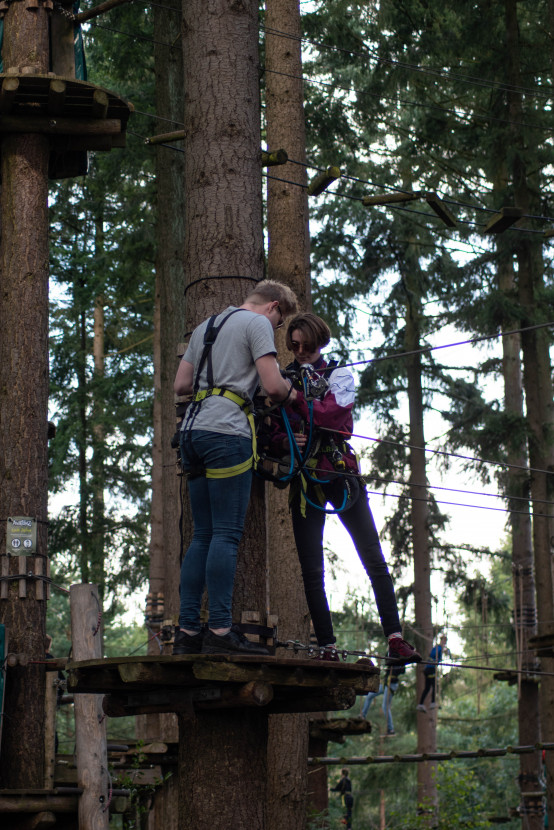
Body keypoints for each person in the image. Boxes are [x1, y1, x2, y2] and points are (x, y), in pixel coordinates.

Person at [270, 312, 421, 665]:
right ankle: (327, 645)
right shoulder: (280, 378)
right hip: (305, 479)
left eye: (306, 344)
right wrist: (284, 440)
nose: (301, 350)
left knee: (373, 557)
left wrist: (295, 401)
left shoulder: (338, 373)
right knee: (312, 568)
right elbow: (273, 429)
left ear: (319, 341)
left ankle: (395, 638)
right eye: (294, 345)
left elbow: (336, 414)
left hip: (341, 475)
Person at [173, 279, 298, 656]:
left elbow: (181, 384)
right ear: (274, 307)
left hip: (192, 433)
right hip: (227, 433)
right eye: (280, 323)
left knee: (202, 536)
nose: (275, 329)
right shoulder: (258, 324)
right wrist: (295, 395)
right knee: (226, 535)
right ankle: (221, 630)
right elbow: (273, 387)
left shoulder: (205, 326)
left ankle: (188, 632)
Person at [360, 664, 405, 734]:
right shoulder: (390, 656)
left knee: (385, 707)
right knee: (369, 695)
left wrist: (395, 666)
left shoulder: (398, 660)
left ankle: (391, 729)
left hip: (391, 684)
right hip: (385, 684)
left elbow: (402, 670)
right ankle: (363, 715)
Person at [417, 634, 448, 711]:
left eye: (445, 642)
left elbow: (436, 658)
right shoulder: (438, 648)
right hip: (430, 669)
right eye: (443, 641)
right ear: (441, 641)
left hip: (429, 669)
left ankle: (420, 704)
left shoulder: (437, 648)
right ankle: (433, 702)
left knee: (427, 688)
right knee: (434, 685)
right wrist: (441, 651)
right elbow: (434, 655)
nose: (444, 643)